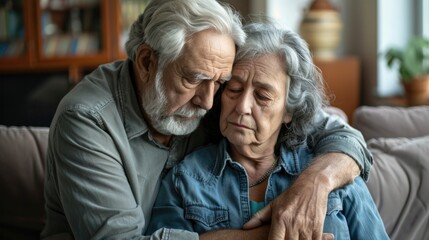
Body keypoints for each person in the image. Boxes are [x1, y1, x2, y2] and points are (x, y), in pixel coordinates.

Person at [41, 0, 372, 239]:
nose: (209, 101)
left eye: (220, 83)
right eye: (194, 79)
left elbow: (341, 135)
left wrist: (316, 183)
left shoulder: (211, 95)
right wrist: (282, 232)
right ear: (146, 61)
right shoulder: (86, 120)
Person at [146, 21, 389, 240]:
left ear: (289, 111)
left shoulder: (334, 176)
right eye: (234, 89)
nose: (242, 107)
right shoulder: (185, 180)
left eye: (262, 96)